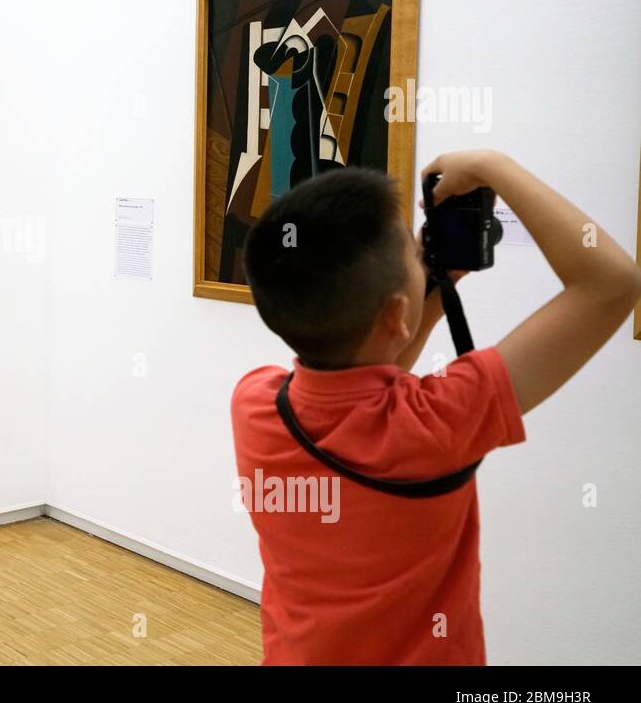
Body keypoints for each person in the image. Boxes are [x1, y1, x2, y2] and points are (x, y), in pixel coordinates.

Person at [231, 152, 641, 664]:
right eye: (411, 250)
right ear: (396, 314)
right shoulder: (444, 420)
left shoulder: (254, 404)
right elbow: (613, 283)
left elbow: (366, 380)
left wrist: (426, 295)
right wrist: (494, 166)